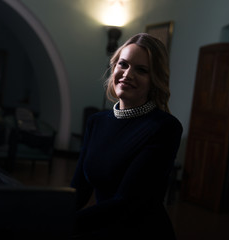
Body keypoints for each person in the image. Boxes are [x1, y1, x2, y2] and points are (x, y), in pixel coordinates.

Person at [70, 33, 183, 239]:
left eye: (141, 70)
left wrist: (64, 223)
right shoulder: (96, 122)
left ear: (154, 80)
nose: (127, 74)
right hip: (101, 226)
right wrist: (47, 210)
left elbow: (125, 203)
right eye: (123, 64)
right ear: (114, 68)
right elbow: (79, 189)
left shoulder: (165, 128)